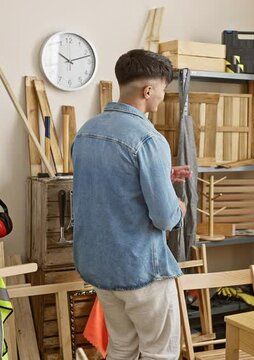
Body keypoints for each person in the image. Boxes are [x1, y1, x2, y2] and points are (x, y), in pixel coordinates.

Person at [72, 49, 190, 360]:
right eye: (163, 90)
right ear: (148, 91)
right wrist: (180, 206)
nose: (163, 98)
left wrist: (160, 176)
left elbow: (111, 187)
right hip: (140, 269)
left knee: (122, 348)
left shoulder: (86, 132)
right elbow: (165, 217)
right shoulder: (149, 139)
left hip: (100, 266)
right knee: (159, 352)